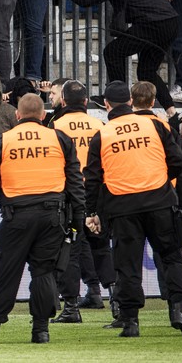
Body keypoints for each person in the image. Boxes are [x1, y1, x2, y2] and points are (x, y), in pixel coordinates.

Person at [84, 81, 182, 337]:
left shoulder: (103, 133)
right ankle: (179, 310)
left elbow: (92, 179)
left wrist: (92, 212)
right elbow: (178, 161)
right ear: (130, 102)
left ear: (107, 105)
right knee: (171, 257)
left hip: (123, 207)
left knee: (128, 265)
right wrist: (162, 182)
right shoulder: (155, 124)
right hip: (159, 201)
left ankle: (131, 321)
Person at [0, 93, 84, 344]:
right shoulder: (59, 138)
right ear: (44, 116)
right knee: (44, 272)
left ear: (17, 115)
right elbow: (75, 182)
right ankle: (41, 330)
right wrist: (78, 217)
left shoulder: (3, 141)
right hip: (52, 217)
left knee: (5, 272)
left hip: (16, 217)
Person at [58, 0, 178, 118]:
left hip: (153, 24)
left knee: (112, 52)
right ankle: (171, 112)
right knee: (146, 71)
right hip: (171, 22)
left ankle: (117, 99)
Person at [47, 79, 115, 324]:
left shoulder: (56, 125)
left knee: (71, 251)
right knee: (101, 247)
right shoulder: (99, 124)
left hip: (70, 194)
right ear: (86, 102)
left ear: (63, 101)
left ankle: (71, 307)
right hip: (99, 193)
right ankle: (115, 299)